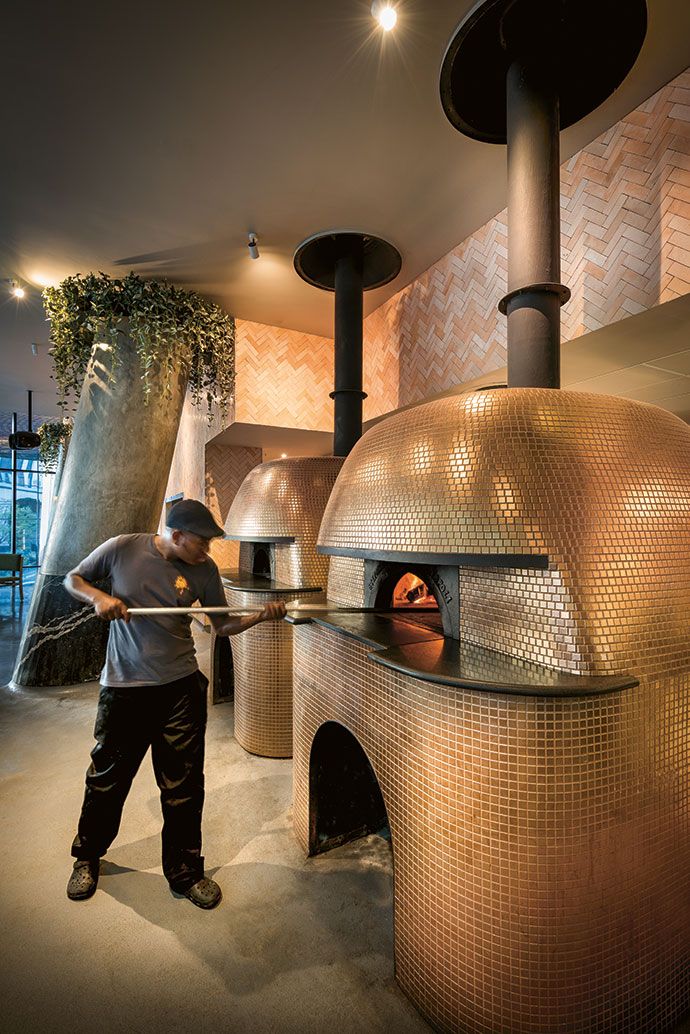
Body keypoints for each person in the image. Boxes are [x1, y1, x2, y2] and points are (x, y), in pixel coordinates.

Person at [63, 499, 286, 909]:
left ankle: (185, 873)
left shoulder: (204, 571)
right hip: (125, 686)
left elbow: (223, 626)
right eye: (202, 543)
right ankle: (87, 855)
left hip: (180, 689)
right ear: (176, 535)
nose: (207, 552)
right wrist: (97, 598)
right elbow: (72, 579)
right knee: (107, 779)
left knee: (184, 786)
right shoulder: (122, 548)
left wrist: (260, 617)